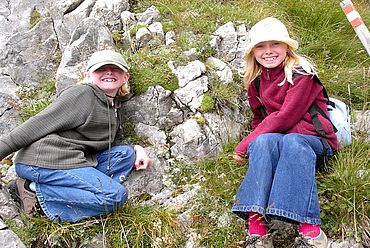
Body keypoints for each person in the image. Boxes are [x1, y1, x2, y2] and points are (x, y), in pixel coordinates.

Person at [0, 49, 152, 223]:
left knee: (125, 155)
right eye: (101, 69)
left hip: (73, 158)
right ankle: (32, 191)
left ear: (125, 77)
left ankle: (65, 192)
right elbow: (34, 126)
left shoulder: (112, 105)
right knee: (115, 196)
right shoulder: (82, 95)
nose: (109, 72)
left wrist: (137, 149)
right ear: (89, 75)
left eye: (115, 68)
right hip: (41, 161)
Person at [232, 17, 338, 248]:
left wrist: (243, 145)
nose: (268, 51)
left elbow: (285, 117)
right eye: (260, 46)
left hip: (315, 142)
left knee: (292, 141)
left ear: (286, 47)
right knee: (263, 142)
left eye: (275, 44)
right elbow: (260, 120)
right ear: (253, 52)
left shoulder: (301, 73)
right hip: (284, 143)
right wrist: (256, 145)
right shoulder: (257, 83)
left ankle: (311, 231)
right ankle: (257, 227)